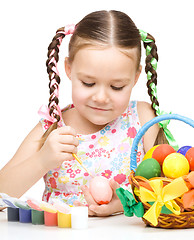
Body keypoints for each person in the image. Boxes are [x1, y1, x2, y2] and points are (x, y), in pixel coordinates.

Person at [0, 10, 174, 216]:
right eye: (88, 83)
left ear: (135, 78)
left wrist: (122, 204)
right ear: (69, 69)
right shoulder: (52, 126)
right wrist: (42, 160)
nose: (101, 97)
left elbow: (175, 189)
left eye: (117, 86)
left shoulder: (143, 119)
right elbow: (2, 194)